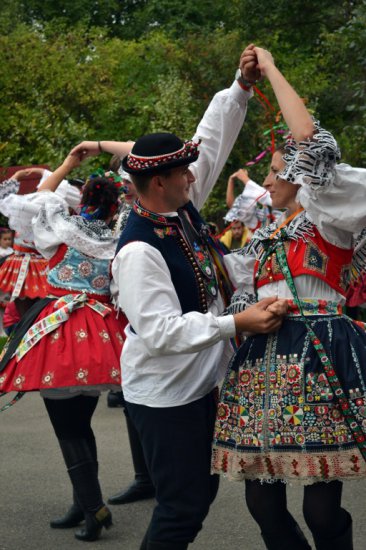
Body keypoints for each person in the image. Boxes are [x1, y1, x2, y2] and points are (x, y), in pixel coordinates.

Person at [112, 43, 288, 550]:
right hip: (166, 394)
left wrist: (241, 85)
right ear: (158, 181)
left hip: (199, 383)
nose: (195, 175)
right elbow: (162, 332)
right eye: (183, 173)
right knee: (182, 507)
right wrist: (238, 324)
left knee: (196, 495)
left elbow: (207, 144)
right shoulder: (139, 250)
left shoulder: (177, 206)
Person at [211, 46, 366, 550]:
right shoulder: (263, 237)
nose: (269, 181)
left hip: (320, 357)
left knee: (321, 508)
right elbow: (235, 288)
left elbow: (312, 144)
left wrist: (272, 70)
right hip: (263, 359)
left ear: (301, 176)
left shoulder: (329, 218)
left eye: (276, 172)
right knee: (261, 502)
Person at [0, 148, 132, 542]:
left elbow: (37, 197)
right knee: (80, 423)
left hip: (59, 329)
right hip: (98, 332)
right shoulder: (118, 236)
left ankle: (93, 508)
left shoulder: (59, 228)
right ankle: (84, 502)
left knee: (67, 427)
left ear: (83, 199)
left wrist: (66, 165)